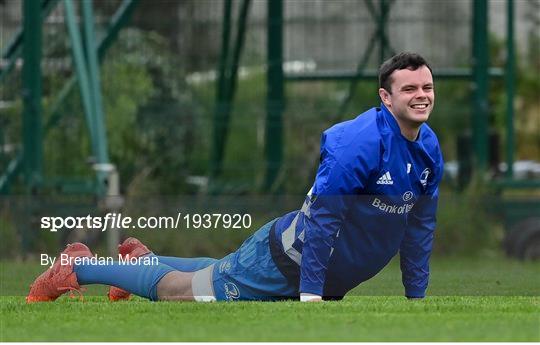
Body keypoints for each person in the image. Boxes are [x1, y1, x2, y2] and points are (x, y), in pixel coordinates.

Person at [27, 52, 443, 303]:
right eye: (409, 89)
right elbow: (324, 223)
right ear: (386, 97)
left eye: (426, 86)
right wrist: (312, 295)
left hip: (303, 270)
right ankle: (81, 267)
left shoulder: (428, 148)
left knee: (218, 270)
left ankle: (140, 261)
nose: (421, 94)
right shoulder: (359, 144)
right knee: (179, 292)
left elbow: (419, 228)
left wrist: (416, 298)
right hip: (287, 263)